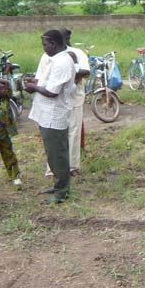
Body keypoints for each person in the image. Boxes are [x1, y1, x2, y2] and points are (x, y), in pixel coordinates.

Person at [25, 30, 76, 204]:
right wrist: (35, 83)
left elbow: (53, 92)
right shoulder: (56, 60)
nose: (44, 47)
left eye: (45, 44)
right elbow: (47, 83)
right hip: (46, 114)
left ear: (54, 44)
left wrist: (34, 88)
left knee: (58, 154)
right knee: (52, 153)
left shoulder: (62, 62)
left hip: (55, 115)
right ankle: (58, 185)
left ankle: (62, 191)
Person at [62, 29, 90, 177]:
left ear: (67, 38)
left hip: (74, 98)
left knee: (73, 132)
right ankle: (54, 167)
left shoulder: (76, 53)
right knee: (58, 134)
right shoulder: (48, 54)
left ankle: (73, 167)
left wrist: (71, 77)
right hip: (56, 99)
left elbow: (85, 72)